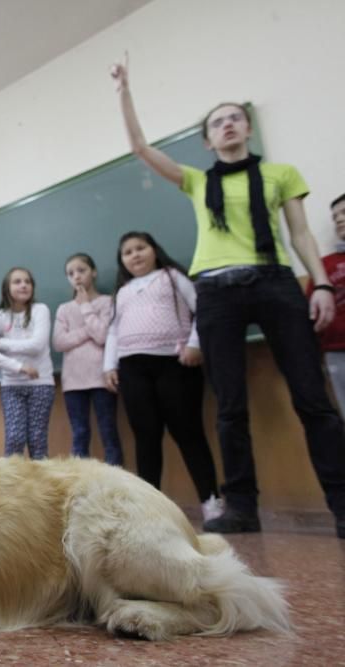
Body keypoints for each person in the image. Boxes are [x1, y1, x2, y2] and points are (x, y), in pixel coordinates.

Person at [112, 54, 345, 537]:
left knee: (313, 399)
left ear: (247, 128)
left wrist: (318, 281)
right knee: (231, 406)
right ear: (208, 140)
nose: (228, 125)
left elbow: (301, 233)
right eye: (218, 123)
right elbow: (139, 147)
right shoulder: (197, 181)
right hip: (216, 290)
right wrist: (125, 90)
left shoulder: (281, 175)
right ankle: (242, 509)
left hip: (276, 282)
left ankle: (341, 504)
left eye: (235, 117)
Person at [102, 233, 223, 523]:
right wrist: (109, 366)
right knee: (146, 437)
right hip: (133, 370)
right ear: (122, 261)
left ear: (155, 250)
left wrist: (196, 344)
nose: (135, 255)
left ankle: (211, 501)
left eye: (140, 248)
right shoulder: (123, 290)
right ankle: (151, 509)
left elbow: (201, 309)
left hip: (174, 364)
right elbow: (114, 331)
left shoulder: (172, 277)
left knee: (188, 433)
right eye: (127, 252)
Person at [52, 253, 123, 465]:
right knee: (80, 434)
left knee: (108, 431)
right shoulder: (64, 309)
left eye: (81, 270)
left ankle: (116, 485)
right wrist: (87, 330)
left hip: (102, 378)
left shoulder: (106, 302)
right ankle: (80, 482)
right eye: (70, 273)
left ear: (93, 272)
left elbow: (103, 336)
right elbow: (59, 343)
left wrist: (85, 307)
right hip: (73, 382)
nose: (76, 276)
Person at [0, 267, 55, 459]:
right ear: (7, 287)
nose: (23, 285)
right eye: (17, 281)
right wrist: (19, 367)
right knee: (14, 438)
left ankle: (41, 487)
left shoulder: (40, 310)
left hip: (41, 383)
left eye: (27, 281)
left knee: (38, 440)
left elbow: (37, 345)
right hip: (11, 385)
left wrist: (3, 343)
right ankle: (12, 486)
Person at [308, 194, 345, 412]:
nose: (339, 220)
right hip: (338, 350)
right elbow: (310, 314)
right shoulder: (323, 266)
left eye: (344, 213)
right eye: (335, 217)